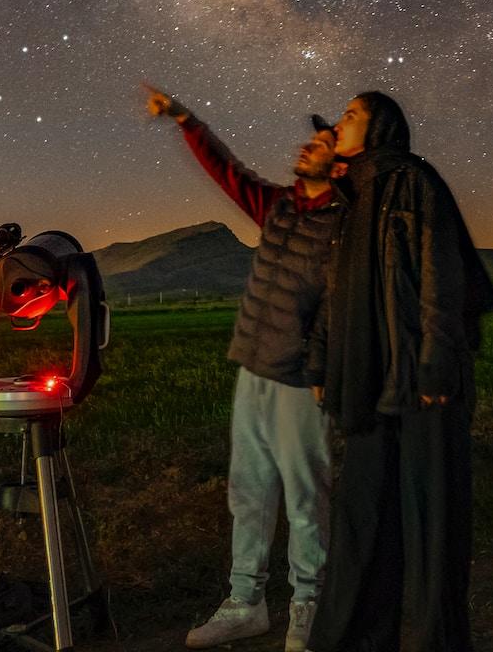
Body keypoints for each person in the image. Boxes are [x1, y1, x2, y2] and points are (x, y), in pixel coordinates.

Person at [145, 85, 344, 652]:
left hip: (301, 379)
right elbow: (226, 170)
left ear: (342, 161)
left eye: (322, 143)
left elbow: (339, 306)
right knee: (248, 492)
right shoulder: (280, 205)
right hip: (252, 368)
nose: (307, 147)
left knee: (306, 496)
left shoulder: (344, 224)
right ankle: (245, 604)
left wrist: (323, 368)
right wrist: (186, 119)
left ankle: (308, 606)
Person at [307, 91, 493, 652]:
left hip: (420, 382)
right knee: (361, 522)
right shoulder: (350, 198)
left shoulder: (414, 182)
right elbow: (333, 291)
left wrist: (438, 364)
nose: (339, 123)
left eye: (350, 114)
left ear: (379, 126)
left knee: (432, 527)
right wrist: (322, 359)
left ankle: (438, 642)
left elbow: (443, 272)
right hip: (369, 384)